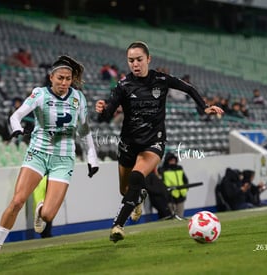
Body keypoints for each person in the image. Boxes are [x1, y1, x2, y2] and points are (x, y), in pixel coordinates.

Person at [95, 41, 224, 243]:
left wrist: (204, 107)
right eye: (131, 60)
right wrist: (102, 110)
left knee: (137, 176)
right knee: (126, 189)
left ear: (148, 59)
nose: (135, 64)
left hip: (153, 142)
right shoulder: (123, 85)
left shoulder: (161, 79)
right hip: (128, 144)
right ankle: (138, 198)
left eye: (139, 59)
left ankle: (118, 225)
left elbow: (188, 88)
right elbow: (107, 115)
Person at [0, 55, 99, 256]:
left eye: (68, 79)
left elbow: (85, 129)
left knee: (48, 215)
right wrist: (17, 128)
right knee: (18, 200)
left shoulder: (78, 98)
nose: (64, 83)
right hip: (38, 153)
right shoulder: (40, 94)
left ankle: (41, 209)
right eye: (60, 78)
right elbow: (15, 116)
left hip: (63, 159)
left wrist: (92, 157)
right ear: (51, 77)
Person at [160, 152, 189, 219]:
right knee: (173, 216)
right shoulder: (163, 170)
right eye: (170, 160)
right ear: (167, 161)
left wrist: (185, 188)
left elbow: (185, 179)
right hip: (170, 195)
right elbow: (162, 182)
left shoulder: (179, 168)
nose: (172, 161)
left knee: (180, 215)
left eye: (173, 160)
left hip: (181, 194)